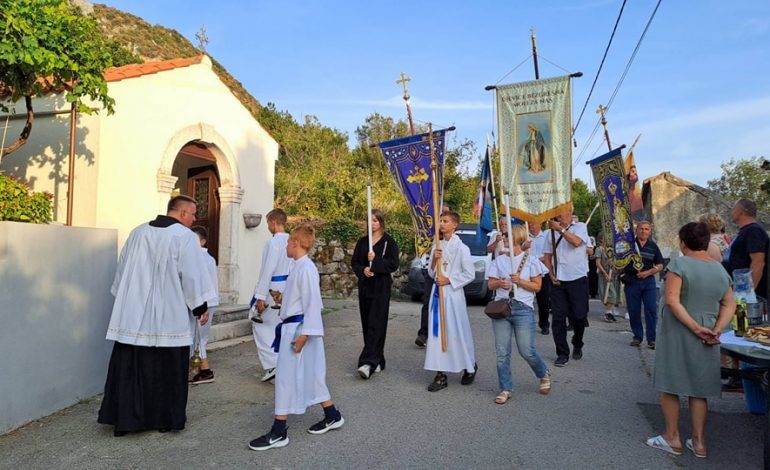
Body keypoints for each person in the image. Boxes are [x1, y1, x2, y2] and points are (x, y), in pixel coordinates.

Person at [98, 195, 215, 436]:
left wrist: (125, 299)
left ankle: (126, 420)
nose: (194, 219)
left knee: (132, 368)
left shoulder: (138, 232)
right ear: (183, 213)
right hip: (169, 316)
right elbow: (191, 275)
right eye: (193, 214)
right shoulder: (185, 237)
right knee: (166, 370)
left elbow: (122, 269)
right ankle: (165, 419)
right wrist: (199, 306)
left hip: (133, 315)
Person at [248, 224, 344, 451]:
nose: (285, 247)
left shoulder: (306, 268)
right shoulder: (298, 267)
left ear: (295, 243)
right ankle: (332, 415)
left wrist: (304, 335)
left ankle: (279, 431)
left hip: (299, 331)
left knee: (284, 378)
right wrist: (285, 300)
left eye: (288, 242)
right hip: (297, 328)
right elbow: (302, 299)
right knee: (311, 375)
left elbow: (313, 304)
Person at [646, 222, 735, 459]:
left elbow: (673, 300)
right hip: (709, 331)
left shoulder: (680, 264)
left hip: (679, 329)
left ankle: (671, 436)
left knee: (670, 383)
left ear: (683, 242)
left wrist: (695, 328)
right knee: (699, 389)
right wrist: (716, 328)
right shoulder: (719, 270)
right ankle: (698, 443)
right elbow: (729, 303)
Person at [486, 224, 551, 404]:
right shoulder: (499, 260)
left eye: (507, 235)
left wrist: (519, 281)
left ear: (517, 238)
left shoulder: (531, 261)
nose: (503, 237)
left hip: (523, 309)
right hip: (502, 308)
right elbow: (489, 285)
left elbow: (537, 287)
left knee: (526, 350)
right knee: (502, 352)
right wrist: (500, 283)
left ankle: (543, 373)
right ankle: (505, 388)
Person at [424, 211, 477, 391]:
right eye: (441, 221)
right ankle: (441, 373)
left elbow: (469, 274)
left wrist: (449, 280)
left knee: (457, 331)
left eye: (445, 221)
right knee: (437, 333)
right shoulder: (436, 246)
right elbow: (431, 273)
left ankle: (469, 365)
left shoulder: (462, 248)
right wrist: (434, 260)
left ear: (455, 225)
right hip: (437, 294)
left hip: (453, 296)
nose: (441, 223)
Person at [351, 209, 400, 379]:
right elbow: (355, 262)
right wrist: (363, 269)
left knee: (377, 323)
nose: (372, 224)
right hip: (366, 286)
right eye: (369, 220)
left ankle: (368, 362)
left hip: (380, 287)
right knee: (367, 323)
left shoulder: (389, 242)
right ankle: (378, 359)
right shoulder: (363, 242)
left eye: (375, 220)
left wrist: (376, 261)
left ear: (381, 222)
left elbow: (393, 264)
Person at [249, 209, 292, 383]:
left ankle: (273, 364)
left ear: (273, 222)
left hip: (272, 287)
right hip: (287, 287)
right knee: (280, 325)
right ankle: (284, 365)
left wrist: (260, 296)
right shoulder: (293, 241)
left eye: (268, 223)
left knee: (260, 325)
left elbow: (267, 271)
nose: (268, 226)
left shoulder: (272, 243)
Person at [543, 209, 590, 367]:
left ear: (569, 213)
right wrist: (550, 274)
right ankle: (562, 353)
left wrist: (560, 229)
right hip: (558, 280)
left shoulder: (580, 227)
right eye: (557, 213)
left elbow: (576, 242)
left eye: (562, 213)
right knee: (558, 318)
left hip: (577, 278)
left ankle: (577, 342)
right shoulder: (549, 232)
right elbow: (547, 255)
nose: (559, 215)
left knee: (578, 316)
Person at [624, 221, 664, 349]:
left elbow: (660, 265)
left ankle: (652, 339)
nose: (644, 231)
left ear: (650, 231)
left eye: (647, 229)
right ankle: (637, 336)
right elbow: (619, 261)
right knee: (634, 310)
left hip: (648, 281)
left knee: (651, 309)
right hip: (632, 281)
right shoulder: (628, 245)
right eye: (641, 229)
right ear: (636, 230)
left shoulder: (653, 246)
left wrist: (648, 272)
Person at [189, 226, 220, 384]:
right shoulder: (209, 258)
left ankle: (205, 370)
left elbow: (200, 283)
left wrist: (203, 306)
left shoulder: (200, 258)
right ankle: (202, 370)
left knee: (197, 338)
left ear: (203, 241)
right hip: (208, 301)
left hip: (203, 303)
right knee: (200, 337)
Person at [416, 204, 450, 348]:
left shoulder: (451, 237)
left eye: (445, 215)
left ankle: (444, 334)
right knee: (427, 302)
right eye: (440, 215)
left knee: (445, 304)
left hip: (445, 274)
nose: (441, 220)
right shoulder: (428, 229)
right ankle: (423, 334)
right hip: (430, 270)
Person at [723, 198, 769, 300]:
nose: (731, 212)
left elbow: (758, 263)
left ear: (740, 211)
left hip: (746, 295)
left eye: (733, 209)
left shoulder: (754, 231)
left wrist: (748, 294)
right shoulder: (746, 231)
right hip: (737, 291)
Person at [528, 221, 551, 335]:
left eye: (533, 224)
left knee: (543, 300)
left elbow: (549, 253)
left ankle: (544, 324)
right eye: (530, 225)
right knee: (526, 299)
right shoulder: (526, 238)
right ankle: (526, 323)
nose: (531, 227)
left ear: (540, 225)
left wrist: (537, 258)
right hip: (528, 271)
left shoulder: (546, 236)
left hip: (542, 272)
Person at [595, 235, 622, 322]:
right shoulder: (599, 249)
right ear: (601, 240)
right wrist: (605, 273)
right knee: (611, 295)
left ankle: (609, 313)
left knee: (615, 295)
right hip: (605, 275)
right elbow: (598, 263)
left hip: (614, 275)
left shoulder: (613, 250)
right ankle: (608, 312)